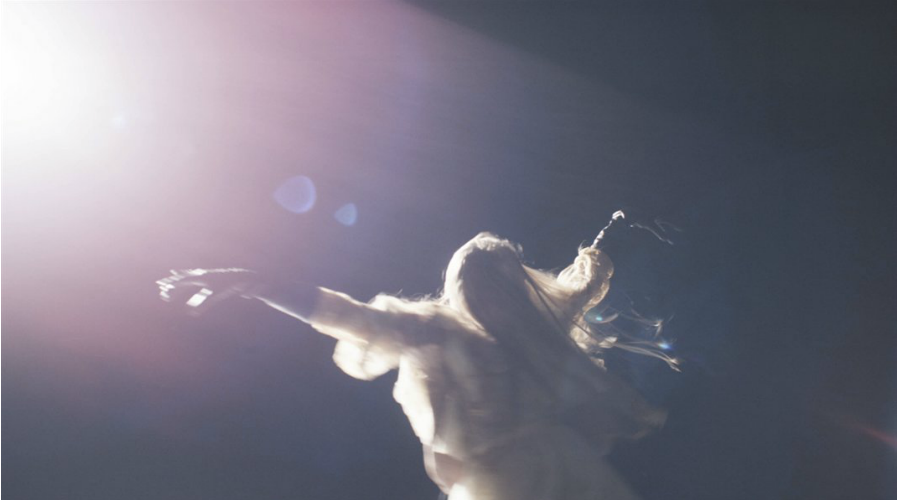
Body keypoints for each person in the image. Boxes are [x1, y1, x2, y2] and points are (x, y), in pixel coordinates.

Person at [157, 215, 677, 500]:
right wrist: (256, 284)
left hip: (547, 470)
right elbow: (348, 315)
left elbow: (577, 285)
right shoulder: (436, 329)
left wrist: (612, 232)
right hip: (509, 481)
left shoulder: (529, 325)